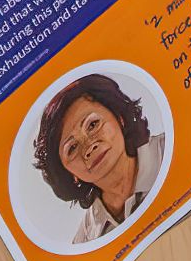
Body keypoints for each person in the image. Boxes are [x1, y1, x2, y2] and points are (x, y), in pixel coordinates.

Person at [33, 71, 165, 242]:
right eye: (72, 148)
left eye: (93, 125)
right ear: (69, 173)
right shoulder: (85, 241)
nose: (89, 147)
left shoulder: (172, 148)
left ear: (119, 118)